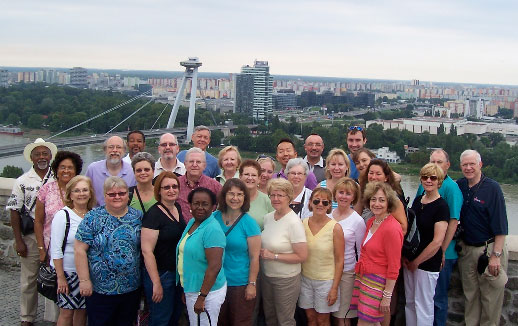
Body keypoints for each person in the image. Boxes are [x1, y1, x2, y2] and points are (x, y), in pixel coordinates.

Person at [75, 176, 143, 326]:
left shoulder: (137, 217)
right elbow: (80, 249)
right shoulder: (92, 218)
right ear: (104, 196)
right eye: (112, 194)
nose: (117, 197)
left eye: (122, 193)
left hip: (131, 287)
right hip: (101, 289)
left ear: (128, 195)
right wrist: (84, 280)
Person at [6, 138, 57, 326]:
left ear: (51, 156)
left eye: (45, 153)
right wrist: (18, 241)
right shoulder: (22, 181)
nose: (42, 157)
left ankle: (54, 317)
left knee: (54, 276)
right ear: (32, 158)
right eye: (38, 154)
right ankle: (26, 317)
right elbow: (14, 212)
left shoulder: (58, 177)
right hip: (30, 237)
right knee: (29, 278)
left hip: (54, 236)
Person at [457, 150, 508, 326]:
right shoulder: (460, 186)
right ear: (460, 166)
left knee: (490, 301)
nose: (469, 168)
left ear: (480, 165)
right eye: (465, 165)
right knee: (470, 298)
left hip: (488, 250)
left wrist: (496, 256)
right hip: (467, 250)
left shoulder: (492, 188)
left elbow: (501, 226)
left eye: (472, 164)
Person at [414, 149, 463, 326]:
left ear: (448, 165)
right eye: (432, 162)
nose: (435, 166)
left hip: (442, 253)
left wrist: (441, 250)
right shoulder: (424, 185)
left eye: (439, 162)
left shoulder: (451, 188)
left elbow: (453, 221)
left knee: (437, 301)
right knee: (419, 301)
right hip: (422, 252)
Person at [35, 150, 83, 322]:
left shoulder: (81, 190)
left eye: (70, 167)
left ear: (76, 170)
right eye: (62, 167)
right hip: (52, 251)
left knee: (78, 308)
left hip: (78, 259)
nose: (66, 171)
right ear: (56, 169)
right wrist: (41, 249)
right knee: (60, 302)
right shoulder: (47, 189)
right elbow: (38, 221)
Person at [351, 182, 403, 326]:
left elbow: (394, 266)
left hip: (378, 283)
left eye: (381, 200)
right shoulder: (372, 221)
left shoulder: (392, 228)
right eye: (373, 199)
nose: (377, 204)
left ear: (389, 202)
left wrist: (387, 296)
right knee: (373, 323)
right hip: (365, 278)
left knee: (364, 322)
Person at [403, 164, 449, 326]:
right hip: (410, 260)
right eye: (425, 177)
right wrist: (407, 258)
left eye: (433, 178)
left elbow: (437, 241)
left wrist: (418, 262)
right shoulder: (417, 201)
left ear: (439, 181)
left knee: (423, 305)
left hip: (427, 263)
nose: (428, 181)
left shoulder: (441, 207)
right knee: (410, 302)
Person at [260, 178, 308, 326]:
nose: (275, 199)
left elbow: (302, 255)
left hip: (286, 280)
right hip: (267, 276)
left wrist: (273, 256)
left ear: (289, 197)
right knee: (270, 317)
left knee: (285, 320)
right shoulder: (268, 218)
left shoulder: (294, 222)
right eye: (272, 195)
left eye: (280, 195)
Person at [176, 187, 227, 326]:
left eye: (205, 204)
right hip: (193, 288)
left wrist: (201, 297)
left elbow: (214, 266)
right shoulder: (193, 222)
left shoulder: (212, 229)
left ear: (213, 207)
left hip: (207, 293)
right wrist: (187, 288)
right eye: (196, 203)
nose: (200, 207)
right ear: (190, 205)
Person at [141, 172, 186, 326]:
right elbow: (147, 251)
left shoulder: (177, 207)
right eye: (166, 187)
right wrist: (156, 283)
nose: (171, 190)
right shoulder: (153, 215)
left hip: (176, 274)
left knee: (174, 315)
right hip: (161, 275)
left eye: (174, 186)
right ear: (158, 191)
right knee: (160, 319)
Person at [214, 179, 261, 326]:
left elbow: (254, 257)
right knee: (219, 321)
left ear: (244, 198)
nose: (235, 198)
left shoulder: (249, 223)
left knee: (240, 322)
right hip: (215, 282)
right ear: (224, 196)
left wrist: (251, 284)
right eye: (231, 194)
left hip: (239, 284)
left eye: (239, 194)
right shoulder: (214, 218)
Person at [50, 176, 96, 326]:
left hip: (87, 273)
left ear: (90, 193)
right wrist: (61, 277)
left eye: (84, 190)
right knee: (67, 312)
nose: (81, 194)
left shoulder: (93, 214)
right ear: (70, 194)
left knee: (82, 311)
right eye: (77, 191)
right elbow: (56, 249)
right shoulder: (63, 216)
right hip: (68, 272)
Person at [299, 187, 344, 325]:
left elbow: (339, 260)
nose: (320, 204)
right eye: (317, 201)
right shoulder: (302, 224)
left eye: (325, 202)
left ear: (330, 205)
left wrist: (334, 288)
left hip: (326, 282)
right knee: (310, 319)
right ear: (310, 203)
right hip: (305, 279)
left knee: (323, 320)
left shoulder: (335, 228)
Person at [331, 178, 366, 326]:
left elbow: (360, 251)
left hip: (347, 273)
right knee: (329, 313)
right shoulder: (328, 215)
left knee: (343, 316)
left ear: (354, 197)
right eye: (341, 192)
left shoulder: (357, 221)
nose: (343, 196)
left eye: (348, 193)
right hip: (328, 271)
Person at [358, 159, 407, 233]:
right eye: (371, 173)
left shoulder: (392, 198)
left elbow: (403, 228)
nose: (373, 177)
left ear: (386, 177)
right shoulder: (366, 194)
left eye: (378, 174)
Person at [85, 136, 136, 206]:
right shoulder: (93, 169)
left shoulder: (132, 171)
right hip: (98, 214)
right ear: (105, 150)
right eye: (111, 147)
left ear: (124, 151)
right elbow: (85, 194)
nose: (115, 150)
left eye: (118, 147)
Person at [177, 147, 222, 222]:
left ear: (204, 165)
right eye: (191, 161)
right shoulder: (176, 184)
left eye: (198, 162)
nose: (194, 165)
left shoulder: (215, 186)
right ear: (185, 164)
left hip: (206, 230)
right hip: (180, 231)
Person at [239, 159, 273, 230]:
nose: (250, 178)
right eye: (246, 174)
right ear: (240, 176)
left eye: (254, 175)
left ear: (259, 178)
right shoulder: (231, 198)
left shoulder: (268, 201)